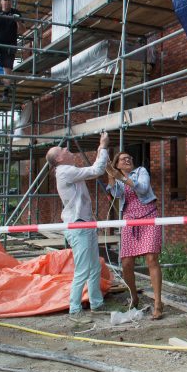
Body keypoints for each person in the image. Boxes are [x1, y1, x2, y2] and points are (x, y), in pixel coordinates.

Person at [46, 132, 110, 324]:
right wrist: (104, 146)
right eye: (63, 149)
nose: (67, 149)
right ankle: (74, 308)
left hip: (85, 223)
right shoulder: (64, 170)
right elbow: (96, 170)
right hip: (78, 226)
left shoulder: (68, 169)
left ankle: (96, 303)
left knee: (94, 267)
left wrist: (100, 147)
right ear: (58, 158)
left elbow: (94, 167)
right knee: (83, 268)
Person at [106, 152, 163, 320]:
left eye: (129, 157)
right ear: (118, 165)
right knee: (126, 263)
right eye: (123, 159)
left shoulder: (141, 172)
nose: (128, 159)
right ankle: (134, 296)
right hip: (129, 220)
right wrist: (111, 175)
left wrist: (122, 178)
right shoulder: (117, 176)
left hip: (149, 215)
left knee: (152, 259)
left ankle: (158, 303)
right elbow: (116, 194)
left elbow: (143, 188)